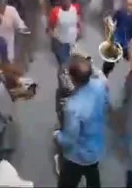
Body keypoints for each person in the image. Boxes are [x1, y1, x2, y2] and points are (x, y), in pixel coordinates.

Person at [54, 55, 108, 187]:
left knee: (67, 183)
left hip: (77, 155)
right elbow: (107, 104)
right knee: (93, 177)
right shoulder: (100, 86)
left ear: (72, 79)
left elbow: (69, 139)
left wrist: (57, 136)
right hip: (96, 147)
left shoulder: (73, 107)